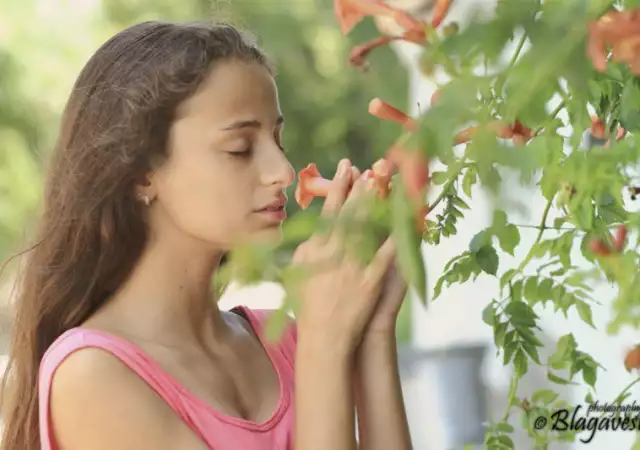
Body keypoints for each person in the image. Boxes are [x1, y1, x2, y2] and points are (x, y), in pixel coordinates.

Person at [0, 20, 412, 450]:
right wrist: (325, 345)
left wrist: (374, 329)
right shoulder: (91, 376)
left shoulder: (283, 340)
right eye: (240, 148)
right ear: (142, 174)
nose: (284, 172)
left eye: (278, 139)